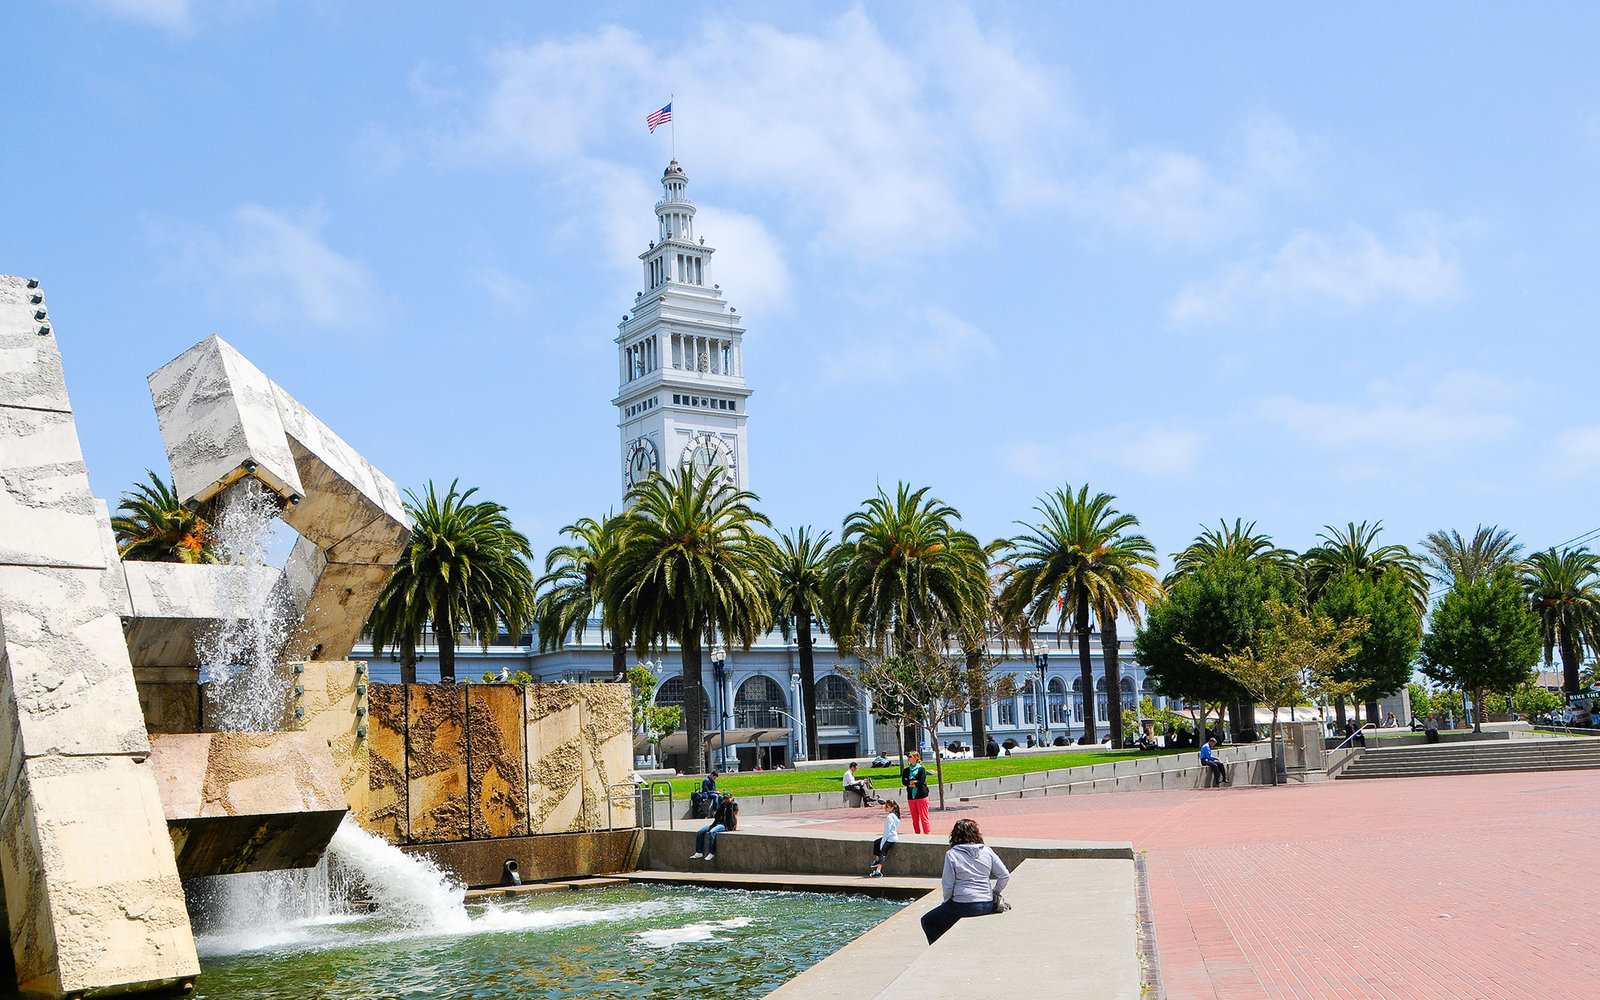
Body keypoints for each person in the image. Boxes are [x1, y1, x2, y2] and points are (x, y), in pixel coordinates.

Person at [920, 819, 1011, 944]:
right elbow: (1004, 875)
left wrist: (947, 902)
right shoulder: (987, 851)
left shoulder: (952, 854)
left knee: (928, 921)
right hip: (987, 903)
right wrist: (994, 892)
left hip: (962, 905)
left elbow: (947, 886)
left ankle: (942, 947)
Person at [690, 792, 737, 861]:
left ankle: (711, 853)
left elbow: (735, 816)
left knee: (712, 832)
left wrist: (735, 827)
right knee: (700, 832)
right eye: (725, 798)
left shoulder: (733, 805)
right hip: (716, 823)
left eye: (728, 798)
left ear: (731, 798)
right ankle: (699, 852)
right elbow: (717, 814)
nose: (726, 800)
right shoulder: (723, 805)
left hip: (725, 825)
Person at [868, 800, 901, 877]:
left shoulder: (890, 817)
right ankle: (877, 860)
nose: (885, 808)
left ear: (892, 808)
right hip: (892, 836)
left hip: (890, 838)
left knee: (882, 852)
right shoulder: (895, 815)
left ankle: (878, 871)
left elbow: (887, 831)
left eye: (887, 807)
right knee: (876, 842)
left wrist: (883, 842)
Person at [902, 751, 930, 834]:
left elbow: (921, 782)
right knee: (915, 818)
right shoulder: (906, 770)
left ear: (916, 758)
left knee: (924, 817)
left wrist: (912, 783)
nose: (908, 758)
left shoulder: (921, 769)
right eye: (908, 756)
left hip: (922, 796)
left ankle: (927, 834)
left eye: (910, 756)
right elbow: (904, 781)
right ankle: (917, 834)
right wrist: (912, 782)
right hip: (911, 796)